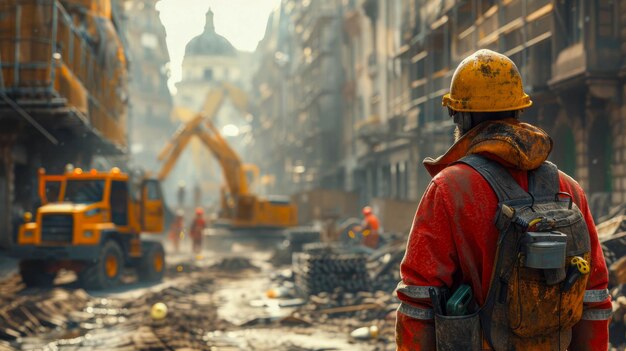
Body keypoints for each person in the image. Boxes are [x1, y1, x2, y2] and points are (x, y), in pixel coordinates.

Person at [395, 50, 611, 350]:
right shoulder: (568, 189)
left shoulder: (448, 189)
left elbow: (419, 300)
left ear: (460, 116)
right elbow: (595, 297)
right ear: (518, 111)